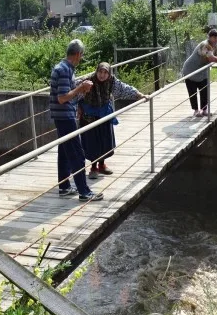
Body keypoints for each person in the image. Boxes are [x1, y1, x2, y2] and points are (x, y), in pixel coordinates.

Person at [49, 39, 103, 202]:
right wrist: (80, 88)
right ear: (78, 54)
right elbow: (62, 98)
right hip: (65, 116)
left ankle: (64, 187)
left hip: (60, 116)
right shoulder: (65, 70)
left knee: (64, 151)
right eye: (82, 56)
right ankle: (84, 192)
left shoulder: (63, 67)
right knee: (77, 153)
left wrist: (80, 88)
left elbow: (66, 93)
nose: (81, 59)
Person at [78, 62, 147, 179]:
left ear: (109, 74)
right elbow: (76, 92)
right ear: (97, 71)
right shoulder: (88, 80)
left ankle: (102, 165)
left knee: (104, 141)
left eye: (105, 72)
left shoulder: (112, 81)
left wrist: (139, 94)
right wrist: (78, 107)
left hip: (104, 114)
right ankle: (93, 167)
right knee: (92, 143)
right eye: (100, 72)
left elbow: (123, 88)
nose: (102, 75)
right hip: (89, 117)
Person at [181, 29, 217, 117]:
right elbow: (211, 58)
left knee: (204, 90)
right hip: (190, 70)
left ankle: (204, 109)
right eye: (213, 37)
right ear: (209, 37)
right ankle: (196, 110)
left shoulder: (216, 46)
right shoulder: (205, 45)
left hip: (202, 71)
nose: (215, 39)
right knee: (192, 92)